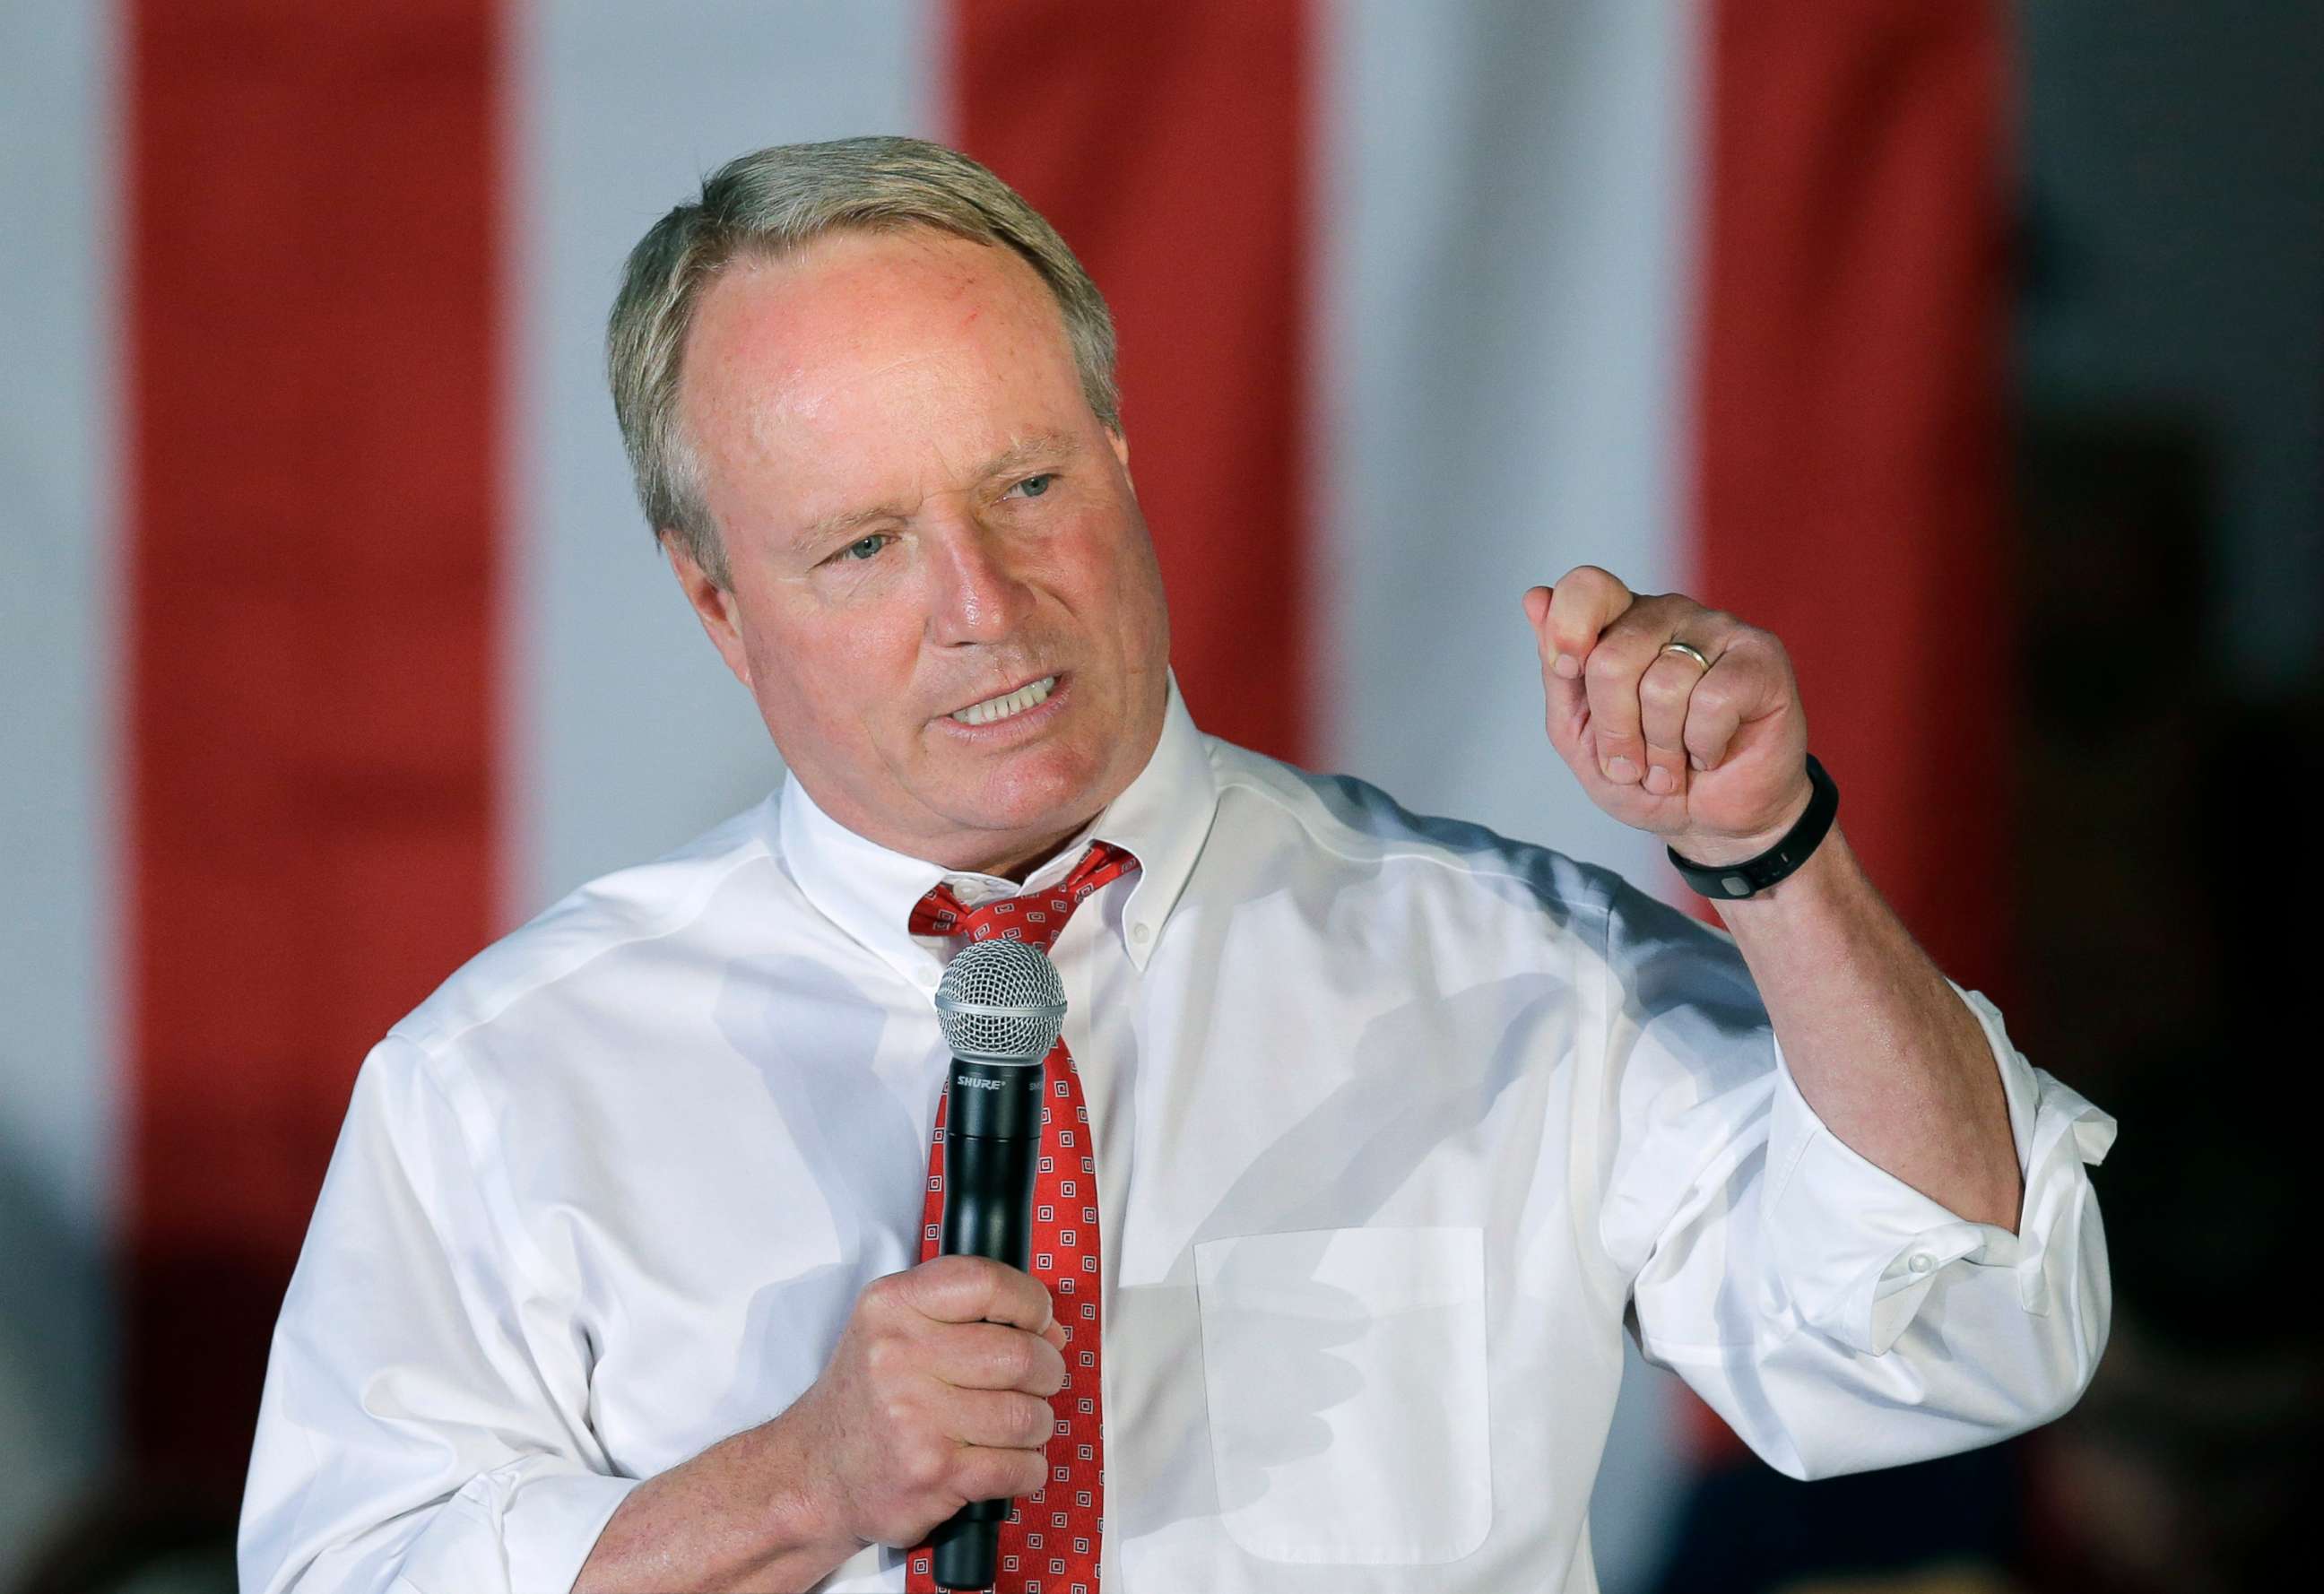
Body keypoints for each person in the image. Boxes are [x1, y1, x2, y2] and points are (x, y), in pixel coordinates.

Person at [238, 135, 2113, 1594]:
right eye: (867, 545)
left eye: (1028, 485)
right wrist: (797, 1486)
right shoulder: (504, 1080)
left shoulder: (1515, 964)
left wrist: (1771, 854)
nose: (983, 609)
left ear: (1123, 460)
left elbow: (1976, 1332)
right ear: (719, 604)